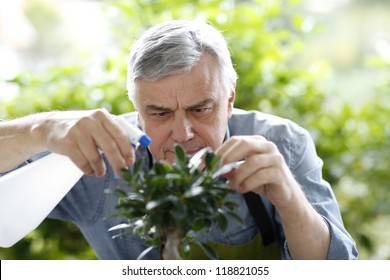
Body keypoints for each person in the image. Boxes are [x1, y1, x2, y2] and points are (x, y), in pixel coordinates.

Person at [0, 19, 358, 259]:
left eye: (201, 109)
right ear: (136, 111)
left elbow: (340, 268)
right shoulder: (103, 157)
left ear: (229, 98)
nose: (183, 134)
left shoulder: (282, 142)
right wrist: (41, 129)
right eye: (159, 114)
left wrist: (290, 200)